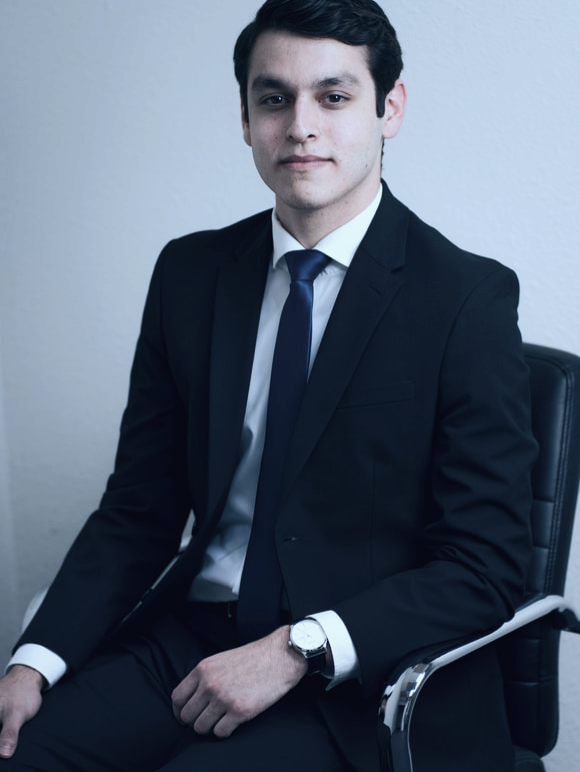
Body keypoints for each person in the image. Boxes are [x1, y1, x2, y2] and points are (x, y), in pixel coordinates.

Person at [0, 1, 538, 770]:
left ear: (389, 108)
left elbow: (484, 567)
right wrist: (34, 661)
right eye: (274, 98)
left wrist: (297, 648)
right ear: (247, 117)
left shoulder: (464, 299)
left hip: (360, 679)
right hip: (192, 639)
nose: (301, 126)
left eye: (334, 96)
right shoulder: (189, 275)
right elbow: (138, 510)